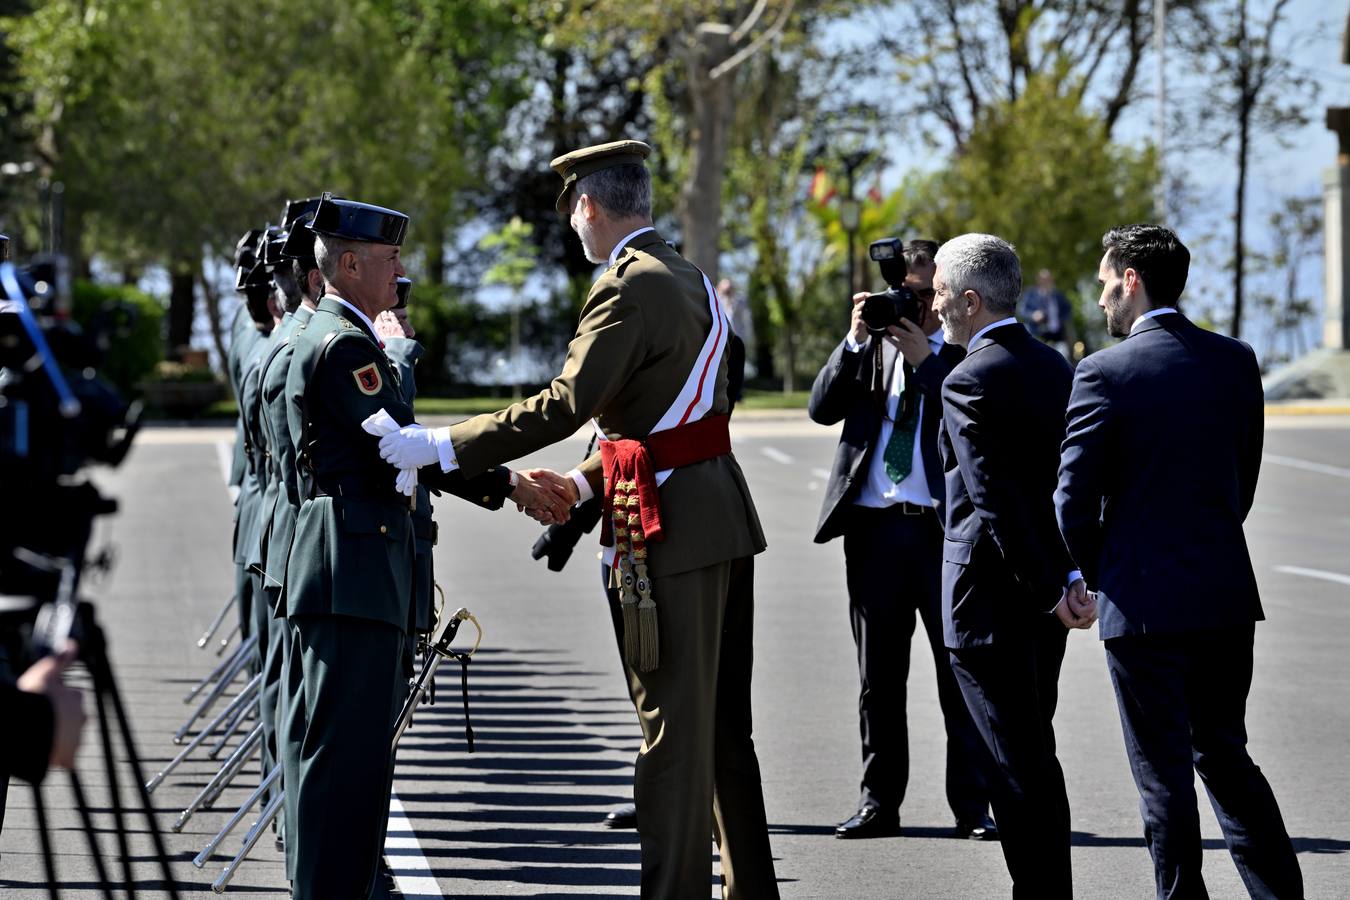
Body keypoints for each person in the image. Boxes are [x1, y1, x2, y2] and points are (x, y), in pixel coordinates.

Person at [377, 140, 781, 899]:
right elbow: (669, 421)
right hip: (717, 512)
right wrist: (582, 483)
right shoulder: (689, 276)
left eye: (572, 213)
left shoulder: (627, 287)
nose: (573, 227)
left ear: (587, 206)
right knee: (721, 731)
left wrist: (440, 443)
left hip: (670, 528)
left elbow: (566, 403)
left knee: (669, 735)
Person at [278, 194, 567, 899]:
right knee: (347, 769)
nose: (399, 270)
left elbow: (399, 456)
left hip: (352, 569)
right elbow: (399, 448)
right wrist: (508, 464)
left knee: (347, 766)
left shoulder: (329, 332)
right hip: (353, 575)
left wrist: (503, 482)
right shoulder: (342, 344)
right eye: (389, 259)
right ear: (347, 264)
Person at [1055, 225, 1302, 900]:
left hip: (1142, 605)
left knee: (1163, 777)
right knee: (1226, 757)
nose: (1103, 294)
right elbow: (1240, 482)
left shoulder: (1103, 372)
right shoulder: (1235, 359)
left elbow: (1071, 500)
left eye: (1107, 280)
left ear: (1131, 279)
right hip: (1223, 593)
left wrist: (1098, 574)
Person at [808, 239, 994, 841]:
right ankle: (878, 802)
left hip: (940, 535)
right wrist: (856, 338)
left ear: (943, 297)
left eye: (922, 295)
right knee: (879, 679)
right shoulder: (870, 348)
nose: (912, 307)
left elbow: (971, 426)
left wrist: (926, 362)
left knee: (957, 673)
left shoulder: (963, 356)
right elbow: (820, 408)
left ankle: (973, 807)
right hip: (874, 531)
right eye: (902, 295)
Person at [932, 233, 1096, 899]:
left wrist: (1050, 588)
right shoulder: (1056, 367)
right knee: (1033, 753)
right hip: (1044, 598)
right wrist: (1070, 578)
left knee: (1013, 767)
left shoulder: (966, 378)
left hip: (989, 604)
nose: (933, 301)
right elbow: (1073, 486)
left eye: (941, 290)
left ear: (970, 301)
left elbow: (994, 500)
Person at [1020, 269, 1075, 360]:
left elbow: (1068, 310)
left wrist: (1061, 320)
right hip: (1038, 335)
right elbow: (1022, 311)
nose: (1046, 282)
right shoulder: (1031, 295)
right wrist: (1033, 315)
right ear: (1039, 280)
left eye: (1048, 279)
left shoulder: (1058, 295)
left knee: (1062, 360)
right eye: (1043, 279)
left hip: (1058, 336)